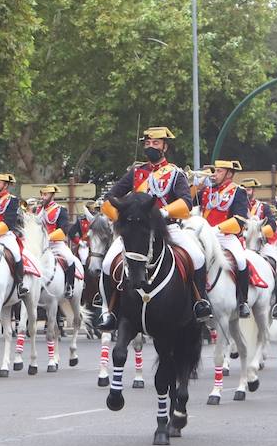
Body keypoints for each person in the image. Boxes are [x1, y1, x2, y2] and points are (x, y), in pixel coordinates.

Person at [98, 127, 212, 328]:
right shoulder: (136, 172)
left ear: (165, 147)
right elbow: (110, 197)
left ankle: (200, 302)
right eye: (148, 143)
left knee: (197, 256)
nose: (151, 146)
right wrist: (124, 218)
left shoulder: (175, 173)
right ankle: (109, 311)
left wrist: (163, 213)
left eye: (156, 143)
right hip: (136, 230)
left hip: (167, 228)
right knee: (108, 263)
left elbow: (186, 203)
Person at [199, 160, 252, 316]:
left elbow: (240, 219)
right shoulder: (206, 190)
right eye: (215, 171)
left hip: (226, 236)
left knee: (241, 261)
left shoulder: (238, 191)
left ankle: (243, 301)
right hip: (205, 235)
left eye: (220, 171)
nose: (215, 174)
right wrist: (194, 184)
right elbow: (189, 201)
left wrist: (219, 228)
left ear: (229, 174)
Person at [34, 185, 79, 293]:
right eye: (42, 194)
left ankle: (69, 286)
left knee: (70, 259)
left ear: (52, 195)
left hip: (56, 244)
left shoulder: (60, 210)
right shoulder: (37, 210)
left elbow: (64, 229)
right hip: (39, 245)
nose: (43, 197)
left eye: (45, 195)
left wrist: (49, 237)